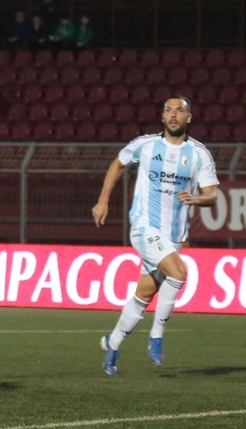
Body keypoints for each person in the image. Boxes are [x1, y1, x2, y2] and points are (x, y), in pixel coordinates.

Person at [92, 98, 218, 375]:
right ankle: (157, 335)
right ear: (162, 117)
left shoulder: (199, 154)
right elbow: (118, 164)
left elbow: (212, 195)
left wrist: (197, 199)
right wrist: (103, 201)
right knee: (178, 272)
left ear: (189, 118)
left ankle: (112, 347)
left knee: (144, 295)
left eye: (180, 111)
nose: (174, 115)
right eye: (169, 110)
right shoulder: (145, 144)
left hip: (173, 236)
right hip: (144, 226)